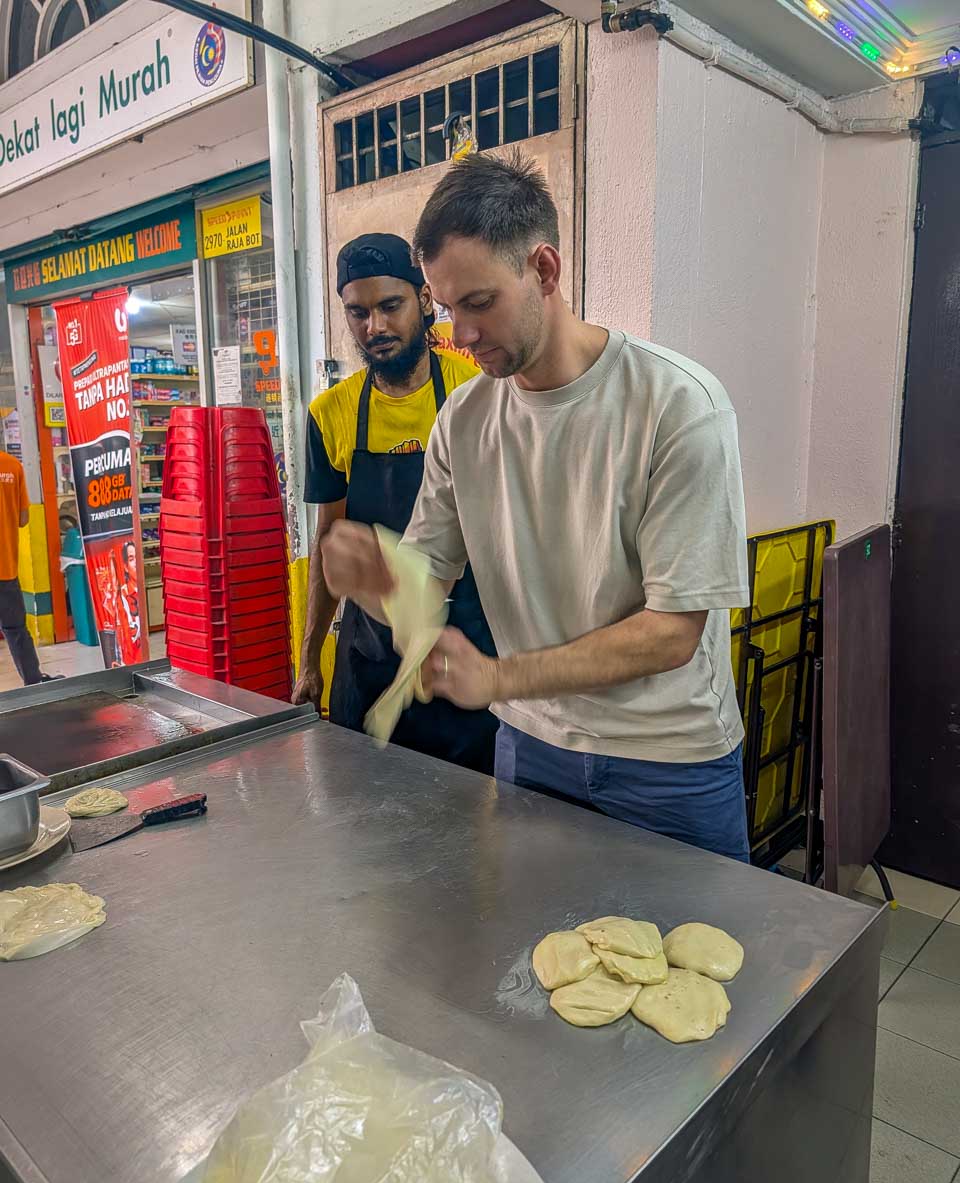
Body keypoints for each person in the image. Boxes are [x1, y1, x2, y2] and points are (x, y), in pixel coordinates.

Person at [321, 154, 753, 862]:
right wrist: (376, 579)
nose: (459, 335)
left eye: (479, 302)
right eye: (447, 307)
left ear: (544, 271)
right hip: (529, 749)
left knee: (688, 966)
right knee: (535, 962)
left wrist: (499, 678)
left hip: (667, 761)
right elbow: (428, 580)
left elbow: (672, 633)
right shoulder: (464, 421)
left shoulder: (676, 408)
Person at [293, 232, 498, 773]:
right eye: (357, 312)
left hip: (464, 648)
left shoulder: (475, 392)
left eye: (390, 306)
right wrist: (310, 659)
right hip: (369, 657)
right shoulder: (329, 414)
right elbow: (328, 543)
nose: (375, 327)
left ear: (425, 301)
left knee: (469, 828)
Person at [0, 448, 52, 687]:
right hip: (6, 567)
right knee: (15, 629)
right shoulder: (12, 465)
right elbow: (23, 519)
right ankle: (33, 681)